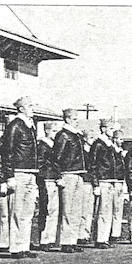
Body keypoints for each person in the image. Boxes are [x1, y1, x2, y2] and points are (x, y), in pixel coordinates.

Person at [1, 97, 39, 259]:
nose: (33, 108)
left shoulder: (30, 126)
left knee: (27, 212)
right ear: (21, 109)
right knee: (16, 211)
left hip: (31, 173)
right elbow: (6, 152)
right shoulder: (15, 125)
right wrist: (9, 176)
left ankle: (24, 245)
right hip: (18, 172)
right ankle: (15, 247)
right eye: (30, 106)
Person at [53, 108, 87, 253]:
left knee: (76, 210)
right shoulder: (63, 135)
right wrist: (58, 176)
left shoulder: (76, 136)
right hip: (67, 174)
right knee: (67, 210)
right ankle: (66, 242)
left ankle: (72, 240)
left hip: (78, 174)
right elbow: (56, 157)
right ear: (67, 119)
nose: (77, 121)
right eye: (74, 118)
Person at [90, 119, 120, 249]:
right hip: (103, 181)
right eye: (111, 129)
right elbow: (92, 165)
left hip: (110, 181)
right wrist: (96, 184)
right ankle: (100, 239)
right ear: (103, 129)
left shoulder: (110, 145)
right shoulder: (98, 144)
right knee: (103, 211)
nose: (113, 132)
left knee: (108, 211)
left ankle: (105, 238)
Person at [36, 121, 61, 251]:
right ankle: (44, 239)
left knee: (54, 210)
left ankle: (50, 239)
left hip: (54, 180)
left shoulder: (53, 146)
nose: (56, 135)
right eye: (54, 131)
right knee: (46, 210)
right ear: (47, 131)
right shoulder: (43, 146)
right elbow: (40, 165)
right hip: (47, 180)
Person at [78, 129, 96, 245]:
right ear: (84, 138)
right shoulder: (81, 153)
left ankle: (86, 233)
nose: (93, 140)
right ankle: (81, 234)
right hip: (84, 183)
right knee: (83, 210)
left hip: (91, 183)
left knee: (89, 210)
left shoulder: (93, 152)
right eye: (90, 138)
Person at [110, 129, 127, 242]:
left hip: (120, 181)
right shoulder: (111, 150)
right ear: (115, 139)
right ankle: (111, 233)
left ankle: (116, 233)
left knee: (118, 208)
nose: (122, 141)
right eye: (120, 139)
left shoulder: (120, 152)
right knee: (112, 208)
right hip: (114, 181)